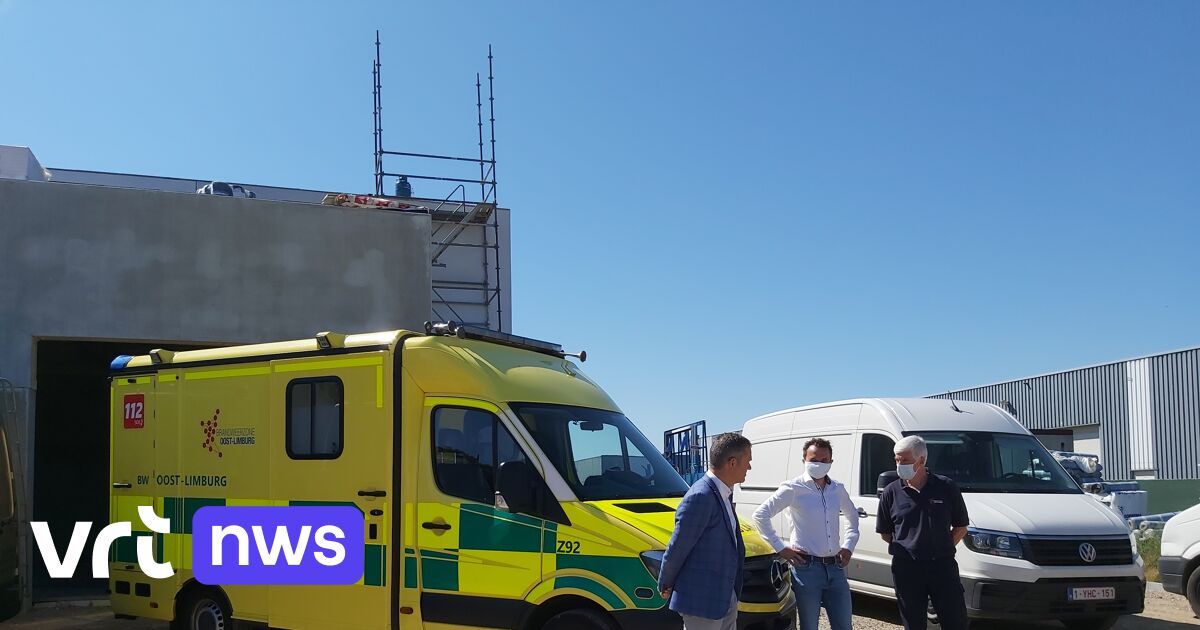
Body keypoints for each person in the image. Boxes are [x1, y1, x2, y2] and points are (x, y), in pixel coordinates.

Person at [751, 437, 859, 630]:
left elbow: (852, 516)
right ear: (804, 461)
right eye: (814, 460)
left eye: (825, 460)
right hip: (807, 569)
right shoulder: (793, 488)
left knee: (844, 625)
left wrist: (849, 546)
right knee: (809, 626)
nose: (819, 464)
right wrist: (780, 548)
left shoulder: (837, 489)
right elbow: (761, 515)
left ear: (831, 462)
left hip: (835, 568)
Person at [658, 433, 753, 630]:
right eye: (747, 462)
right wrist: (665, 582)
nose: (749, 467)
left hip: (724, 595)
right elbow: (679, 546)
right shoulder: (701, 495)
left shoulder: (722, 493)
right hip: (702, 600)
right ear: (732, 463)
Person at [877, 435, 970, 630]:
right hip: (906, 569)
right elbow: (886, 533)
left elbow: (961, 527)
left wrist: (940, 546)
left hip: (942, 567)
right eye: (897, 459)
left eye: (905, 460)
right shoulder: (891, 492)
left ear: (922, 460)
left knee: (955, 621)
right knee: (913, 623)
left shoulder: (946, 487)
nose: (899, 464)